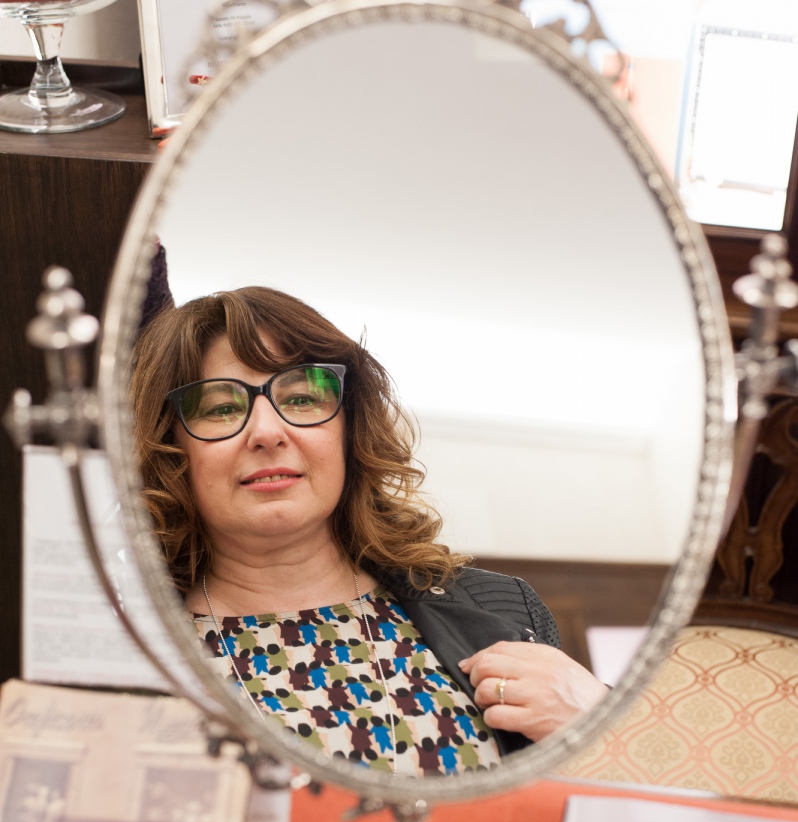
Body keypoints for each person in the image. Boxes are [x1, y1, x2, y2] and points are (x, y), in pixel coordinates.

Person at [131, 286, 607, 776]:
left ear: (349, 430)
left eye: (301, 398)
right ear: (170, 447)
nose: (268, 432)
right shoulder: (125, 653)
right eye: (221, 408)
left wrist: (599, 721)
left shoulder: (501, 609)